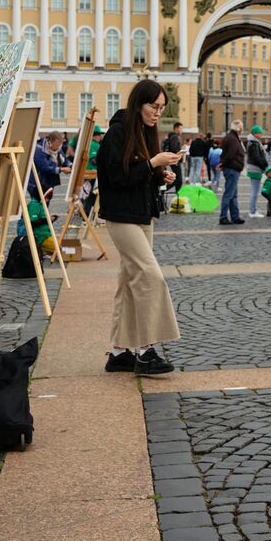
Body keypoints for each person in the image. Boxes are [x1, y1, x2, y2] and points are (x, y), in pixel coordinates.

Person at [96, 80, 183, 375]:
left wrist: (160, 175)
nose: (158, 113)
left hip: (142, 213)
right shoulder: (117, 134)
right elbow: (117, 177)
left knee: (130, 282)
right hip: (121, 216)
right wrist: (151, 164)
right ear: (138, 104)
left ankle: (120, 352)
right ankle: (146, 351)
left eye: (161, 108)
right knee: (150, 276)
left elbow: (137, 174)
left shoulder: (145, 132)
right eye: (153, 106)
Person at [218, 120, 245, 224]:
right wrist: (223, 164)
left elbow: (225, 153)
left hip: (231, 168)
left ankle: (235, 216)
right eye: (241, 127)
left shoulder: (230, 137)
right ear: (238, 128)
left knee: (233, 195)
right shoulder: (233, 139)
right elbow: (231, 154)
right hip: (232, 169)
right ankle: (223, 217)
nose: (242, 129)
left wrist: (222, 164)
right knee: (229, 194)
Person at [30, 131, 71, 201]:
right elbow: (44, 168)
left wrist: (70, 165)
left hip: (49, 180)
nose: (58, 148)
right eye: (56, 146)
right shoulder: (39, 149)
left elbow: (63, 158)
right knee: (38, 201)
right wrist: (61, 169)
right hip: (37, 181)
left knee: (47, 198)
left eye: (59, 145)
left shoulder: (58, 147)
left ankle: (44, 211)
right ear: (50, 142)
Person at [244, 125, 270, 217]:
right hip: (255, 169)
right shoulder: (254, 143)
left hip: (254, 168)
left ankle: (253, 210)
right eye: (260, 133)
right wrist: (265, 166)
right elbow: (257, 158)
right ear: (255, 134)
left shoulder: (254, 142)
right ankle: (252, 211)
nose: (261, 134)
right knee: (254, 191)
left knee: (254, 190)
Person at [162, 122, 185, 190]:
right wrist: (180, 153)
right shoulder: (175, 137)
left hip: (174, 160)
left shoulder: (172, 137)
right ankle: (164, 190)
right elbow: (174, 148)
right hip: (175, 160)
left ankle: (164, 189)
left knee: (177, 179)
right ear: (176, 128)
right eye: (181, 128)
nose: (182, 130)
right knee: (178, 179)